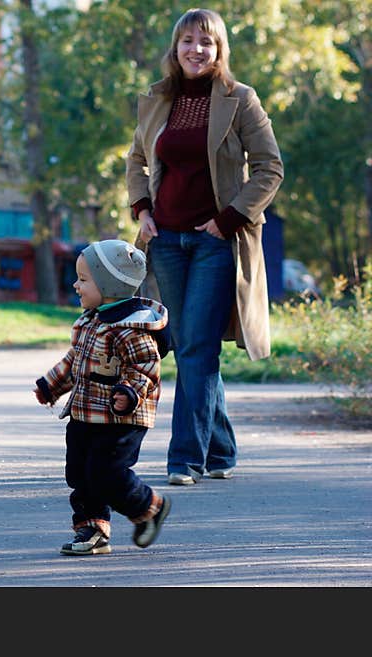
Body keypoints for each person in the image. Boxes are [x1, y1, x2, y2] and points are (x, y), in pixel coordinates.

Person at [126, 8, 284, 485]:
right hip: (166, 241)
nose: (197, 50)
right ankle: (222, 451)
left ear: (220, 50)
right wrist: (142, 209)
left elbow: (269, 168)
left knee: (195, 345)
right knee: (191, 346)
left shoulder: (240, 100)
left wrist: (230, 218)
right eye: (188, 41)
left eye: (207, 42)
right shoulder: (157, 99)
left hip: (216, 242)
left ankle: (184, 460)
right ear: (175, 48)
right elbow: (137, 158)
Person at [34, 240, 171, 556]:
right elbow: (74, 362)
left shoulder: (132, 328)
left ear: (108, 284)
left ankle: (150, 506)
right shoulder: (88, 321)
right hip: (85, 413)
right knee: (80, 472)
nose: (75, 285)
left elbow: (147, 366)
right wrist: (50, 386)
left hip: (122, 418)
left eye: (83, 279)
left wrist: (130, 393)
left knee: (106, 474)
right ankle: (91, 529)